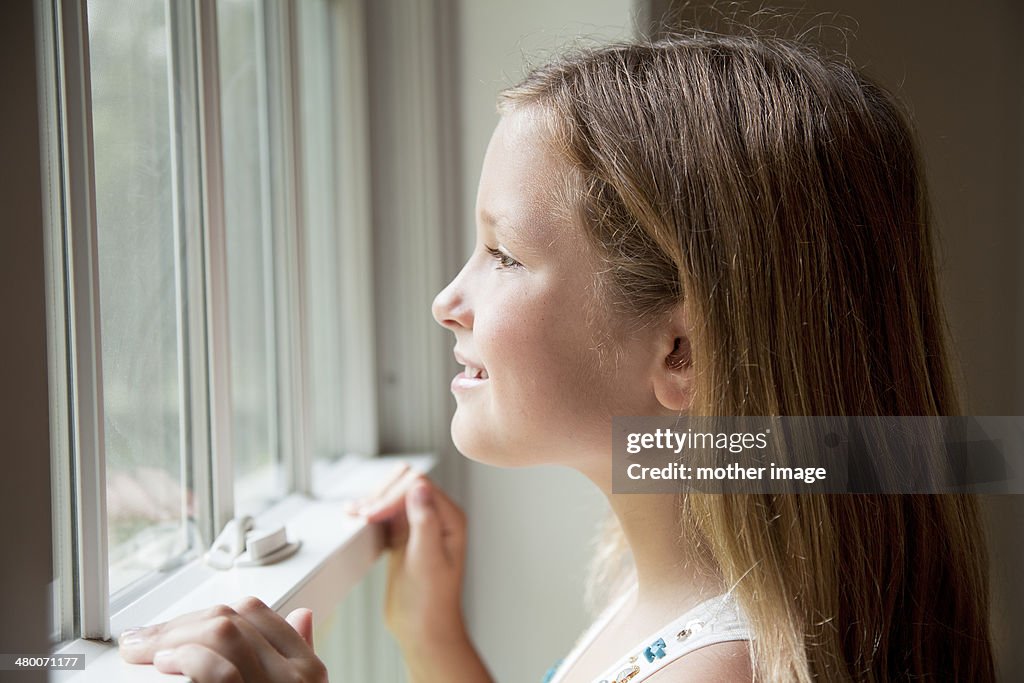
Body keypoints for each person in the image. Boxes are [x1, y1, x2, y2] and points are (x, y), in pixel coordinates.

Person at [118, 31, 996, 682]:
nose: (445, 300)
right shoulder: (687, 598)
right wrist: (436, 642)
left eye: (502, 255)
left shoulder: (717, 669)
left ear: (680, 351)